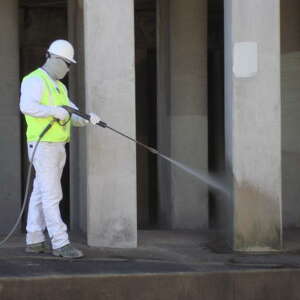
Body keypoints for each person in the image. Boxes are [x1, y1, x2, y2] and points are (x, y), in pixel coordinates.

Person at [19, 39, 100, 258]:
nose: (68, 68)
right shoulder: (34, 80)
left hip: (57, 146)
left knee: (40, 193)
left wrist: (87, 118)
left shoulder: (59, 86)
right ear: (54, 58)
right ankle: (60, 242)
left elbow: (71, 112)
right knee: (52, 195)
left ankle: (34, 239)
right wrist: (52, 111)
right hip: (42, 144)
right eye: (66, 63)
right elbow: (26, 106)